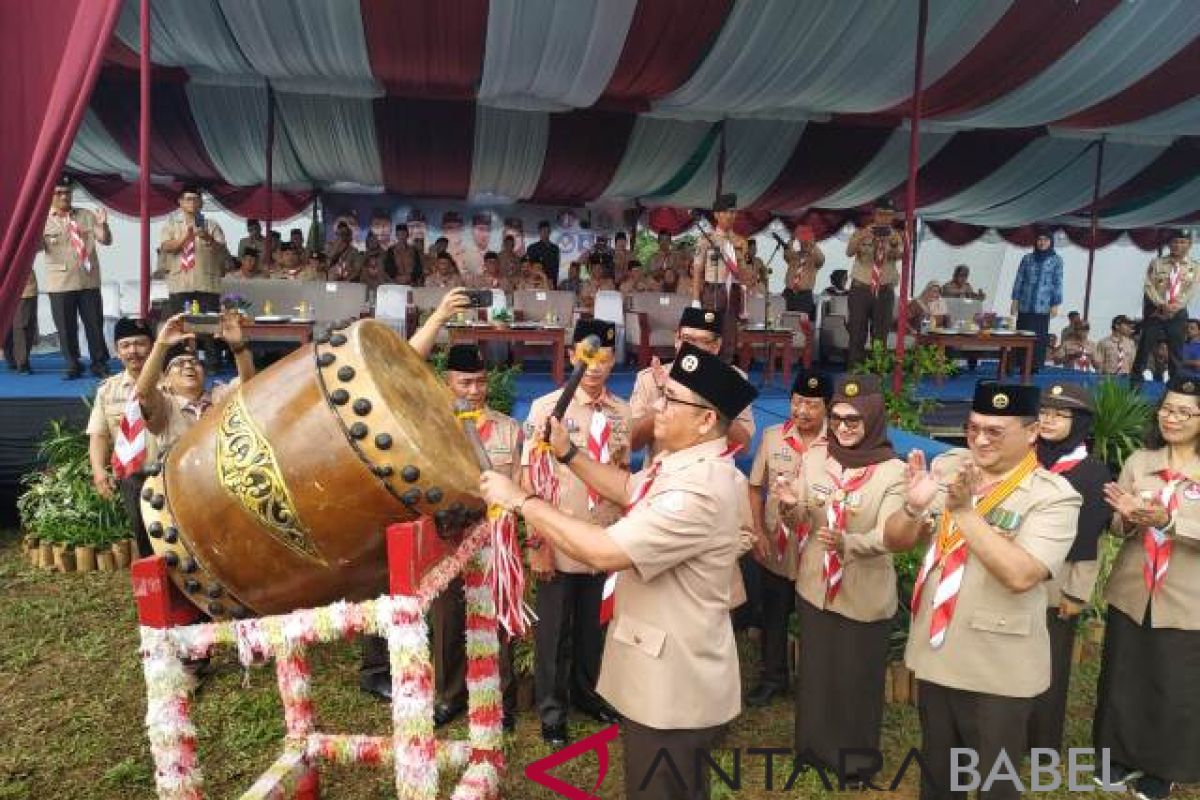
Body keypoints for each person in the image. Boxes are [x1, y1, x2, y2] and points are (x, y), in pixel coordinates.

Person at [479, 343, 758, 800]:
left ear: (707, 420)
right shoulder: (687, 465)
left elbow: (605, 550)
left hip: (673, 687)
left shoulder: (698, 492)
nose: (656, 409)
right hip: (664, 671)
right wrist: (570, 455)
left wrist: (522, 501)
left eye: (670, 401)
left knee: (662, 787)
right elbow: (631, 487)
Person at [883, 382, 1080, 800]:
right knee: (939, 774)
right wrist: (912, 507)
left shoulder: (1053, 496)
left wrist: (965, 514)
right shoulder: (952, 467)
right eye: (974, 428)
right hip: (938, 648)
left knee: (994, 782)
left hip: (998, 665)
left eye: (996, 431)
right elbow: (896, 541)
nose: (980, 439)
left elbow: (1022, 574)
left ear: (1031, 433)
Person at [775, 375, 906, 787]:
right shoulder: (816, 459)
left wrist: (849, 542)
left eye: (854, 420)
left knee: (856, 679)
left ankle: (854, 763)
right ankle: (812, 750)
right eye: (838, 419)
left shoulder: (894, 473)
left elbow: (890, 535)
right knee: (815, 673)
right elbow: (801, 519)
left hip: (862, 591)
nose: (844, 428)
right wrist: (789, 508)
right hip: (815, 585)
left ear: (874, 419)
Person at [520, 320, 631, 747]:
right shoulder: (548, 409)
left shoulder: (621, 412)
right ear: (571, 356)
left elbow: (621, 473)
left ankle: (589, 695)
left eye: (605, 358)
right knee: (553, 630)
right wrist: (538, 542)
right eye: (590, 358)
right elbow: (531, 478)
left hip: (604, 538)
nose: (597, 368)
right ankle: (552, 710)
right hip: (561, 538)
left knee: (593, 625)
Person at [1094, 376, 1200, 799]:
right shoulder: (1141, 460)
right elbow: (1120, 527)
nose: (1171, 418)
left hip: (1187, 595)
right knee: (1124, 674)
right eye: (1167, 408)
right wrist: (1126, 517)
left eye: (1184, 412)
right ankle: (1116, 756)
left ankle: (1163, 768)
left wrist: (1167, 521)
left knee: (1173, 682)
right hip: (1134, 589)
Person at [1026, 383, 1108, 754]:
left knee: (1050, 664)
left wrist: (1077, 592)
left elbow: (1092, 538)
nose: (1048, 420)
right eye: (1044, 412)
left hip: (1056, 586)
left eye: (1060, 415)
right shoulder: (1024, 458)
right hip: (1013, 576)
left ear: (1080, 423)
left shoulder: (1091, 472)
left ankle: (1042, 743)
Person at [745, 370, 830, 707]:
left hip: (817, 545)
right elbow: (754, 488)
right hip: (777, 545)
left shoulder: (836, 444)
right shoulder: (772, 437)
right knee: (774, 612)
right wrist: (758, 532)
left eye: (811, 404)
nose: (802, 411)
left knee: (815, 616)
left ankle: (813, 681)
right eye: (797, 402)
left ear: (827, 407)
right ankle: (773, 678)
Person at [628, 307, 755, 461]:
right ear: (677, 340)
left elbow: (744, 446)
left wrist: (711, 395)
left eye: (703, 341)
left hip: (710, 474)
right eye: (687, 339)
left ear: (716, 346)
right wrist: (668, 396)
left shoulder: (732, 380)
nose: (692, 348)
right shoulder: (649, 379)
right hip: (661, 474)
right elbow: (633, 443)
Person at [136, 312, 255, 452]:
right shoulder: (165, 405)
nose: (188, 366)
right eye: (179, 363)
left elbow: (250, 387)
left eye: (195, 362)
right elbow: (144, 394)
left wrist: (238, 347)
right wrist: (161, 345)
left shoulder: (219, 396)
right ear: (165, 380)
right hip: (178, 472)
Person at [87, 318, 157, 556]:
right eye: (126, 345)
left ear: (153, 346)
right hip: (134, 476)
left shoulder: (171, 382)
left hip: (171, 472)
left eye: (140, 344)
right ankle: (156, 589)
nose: (133, 351)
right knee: (144, 535)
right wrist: (98, 470)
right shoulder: (108, 389)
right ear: (117, 352)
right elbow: (99, 434)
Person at [42, 175, 113, 379]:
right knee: (66, 327)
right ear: (50, 195)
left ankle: (99, 363)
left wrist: (103, 225)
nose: (64, 197)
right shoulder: (42, 219)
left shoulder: (86, 215)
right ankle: (73, 364)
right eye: (59, 193)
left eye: (67, 193)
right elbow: (36, 248)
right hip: (60, 283)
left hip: (88, 279)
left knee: (94, 324)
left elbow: (105, 240)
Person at [1131, 231, 1200, 387]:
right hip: (1156, 312)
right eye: (1175, 242)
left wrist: (1175, 307)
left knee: (1176, 355)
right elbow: (1148, 286)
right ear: (1169, 244)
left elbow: (1191, 290)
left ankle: (1174, 391)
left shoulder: (1194, 267)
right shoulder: (1157, 263)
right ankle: (1134, 389)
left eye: (1182, 242)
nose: (1178, 245)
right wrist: (1162, 304)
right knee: (1144, 350)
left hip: (1178, 313)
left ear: (1189, 245)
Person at [845, 197, 904, 367]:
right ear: (874, 214)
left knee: (880, 336)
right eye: (882, 214)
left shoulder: (896, 237)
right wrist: (862, 237)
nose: (885, 218)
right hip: (861, 289)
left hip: (884, 290)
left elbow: (900, 254)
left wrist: (889, 245)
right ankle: (855, 374)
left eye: (889, 215)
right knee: (857, 333)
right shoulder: (861, 232)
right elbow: (849, 252)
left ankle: (877, 375)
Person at [691, 195, 749, 358]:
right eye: (726, 212)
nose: (731, 216)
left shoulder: (741, 242)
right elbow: (697, 270)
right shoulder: (706, 239)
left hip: (733, 290)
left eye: (733, 212)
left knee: (729, 336)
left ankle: (725, 369)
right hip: (712, 290)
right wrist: (695, 300)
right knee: (709, 334)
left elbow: (744, 271)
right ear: (716, 215)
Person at [159, 185, 227, 316]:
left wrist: (207, 237)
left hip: (206, 285)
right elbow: (166, 247)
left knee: (208, 328)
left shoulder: (212, 225)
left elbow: (222, 250)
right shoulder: (171, 224)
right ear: (180, 202)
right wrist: (186, 237)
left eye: (196, 199)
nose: (192, 203)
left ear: (201, 203)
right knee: (181, 327)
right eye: (188, 199)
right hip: (180, 285)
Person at [1010, 227, 1064, 373]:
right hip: (1025, 303)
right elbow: (1019, 279)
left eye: (1045, 240)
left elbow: (1058, 283)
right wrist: (1015, 300)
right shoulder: (1027, 258)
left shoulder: (1056, 260)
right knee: (1022, 334)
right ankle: (1020, 364)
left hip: (1043, 306)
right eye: (1039, 239)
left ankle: (1034, 365)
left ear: (1050, 242)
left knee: (1038, 336)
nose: (1042, 242)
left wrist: (1055, 304)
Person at [781, 225, 826, 319]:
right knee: (786, 320)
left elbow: (821, 259)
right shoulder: (794, 256)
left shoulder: (814, 259)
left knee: (802, 322)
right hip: (789, 294)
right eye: (802, 243)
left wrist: (813, 244)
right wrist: (792, 239)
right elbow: (786, 253)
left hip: (804, 296)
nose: (804, 244)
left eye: (807, 243)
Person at [5, 271, 38, 374]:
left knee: (23, 324)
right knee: (8, 324)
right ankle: (14, 359)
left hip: (23, 284)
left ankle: (20, 361)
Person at [526, 220, 561, 287]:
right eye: (543, 231)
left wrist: (553, 280)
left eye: (547, 231)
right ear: (539, 232)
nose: (545, 233)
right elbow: (529, 266)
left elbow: (556, 267)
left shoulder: (555, 248)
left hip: (552, 281)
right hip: (537, 281)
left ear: (549, 232)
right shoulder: (533, 248)